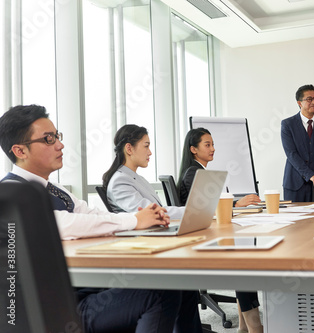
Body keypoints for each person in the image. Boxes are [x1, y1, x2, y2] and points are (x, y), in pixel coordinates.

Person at [0, 105, 203, 333]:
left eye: (57, 136)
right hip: (61, 309)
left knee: (178, 282)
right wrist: (135, 221)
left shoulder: (55, 189)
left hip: (89, 288)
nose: (60, 144)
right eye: (48, 139)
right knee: (161, 293)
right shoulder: (9, 195)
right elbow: (59, 223)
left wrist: (140, 217)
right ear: (20, 151)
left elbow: (93, 215)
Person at [178, 127, 263, 333]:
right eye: (208, 145)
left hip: (208, 234)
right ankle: (254, 326)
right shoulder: (193, 173)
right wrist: (237, 205)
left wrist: (234, 205)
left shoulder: (199, 172)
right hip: (202, 241)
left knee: (243, 257)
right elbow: (207, 207)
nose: (213, 149)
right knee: (244, 262)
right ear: (193, 149)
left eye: (213, 144)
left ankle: (245, 326)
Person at [103, 124, 184, 219]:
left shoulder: (137, 179)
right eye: (146, 146)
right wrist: (192, 212)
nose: (150, 152)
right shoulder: (120, 181)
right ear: (129, 149)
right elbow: (152, 213)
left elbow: (158, 210)